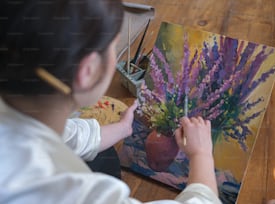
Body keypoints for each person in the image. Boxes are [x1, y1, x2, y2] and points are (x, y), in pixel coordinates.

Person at [0, 0, 221, 203]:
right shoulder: (74, 194)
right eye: (113, 48)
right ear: (87, 72)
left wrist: (123, 129)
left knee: (104, 156)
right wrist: (201, 155)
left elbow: (66, 135)